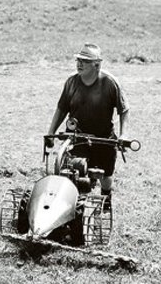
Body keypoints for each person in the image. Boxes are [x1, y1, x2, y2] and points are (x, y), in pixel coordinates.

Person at [47, 42, 130, 206]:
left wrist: (124, 134)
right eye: (78, 60)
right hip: (77, 136)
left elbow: (124, 109)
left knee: (105, 175)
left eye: (84, 61)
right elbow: (61, 109)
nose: (79, 64)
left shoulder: (110, 83)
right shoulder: (71, 82)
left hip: (104, 137)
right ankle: (74, 207)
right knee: (74, 172)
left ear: (97, 65)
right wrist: (51, 132)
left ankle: (106, 201)